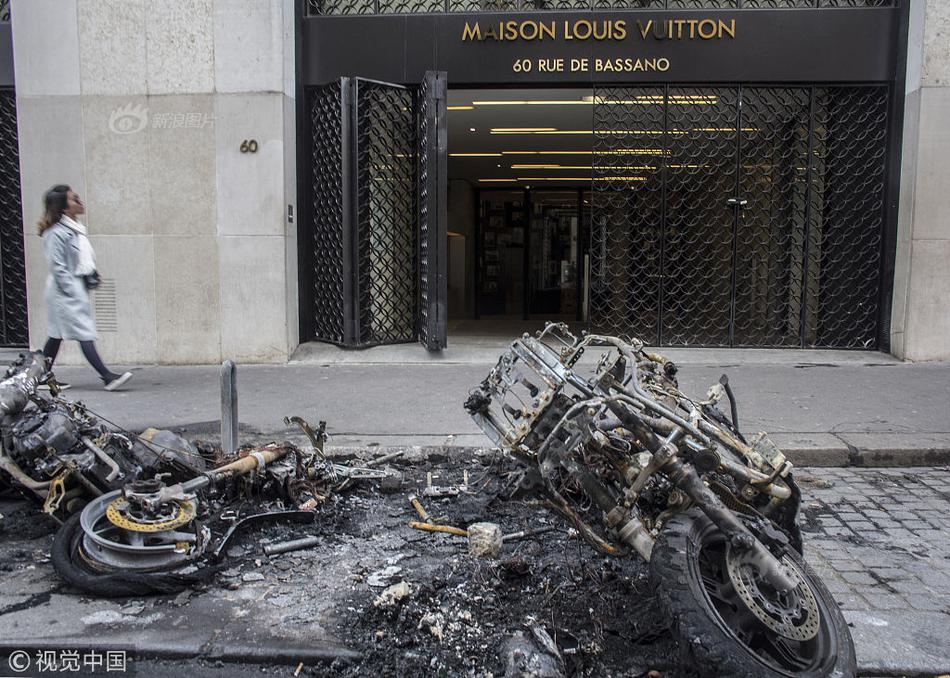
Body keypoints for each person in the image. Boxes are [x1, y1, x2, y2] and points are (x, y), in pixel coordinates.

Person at [38, 185, 132, 391]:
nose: (80, 201)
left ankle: (41, 377)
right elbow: (57, 266)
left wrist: (91, 276)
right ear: (63, 207)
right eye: (74, 199)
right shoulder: (56, 233)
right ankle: (107, 376)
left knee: (56, 335)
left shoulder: (75, 229)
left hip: (73, 288)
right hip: (64, 292)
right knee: (84, 332)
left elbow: (81, 260)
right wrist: (71, 292)